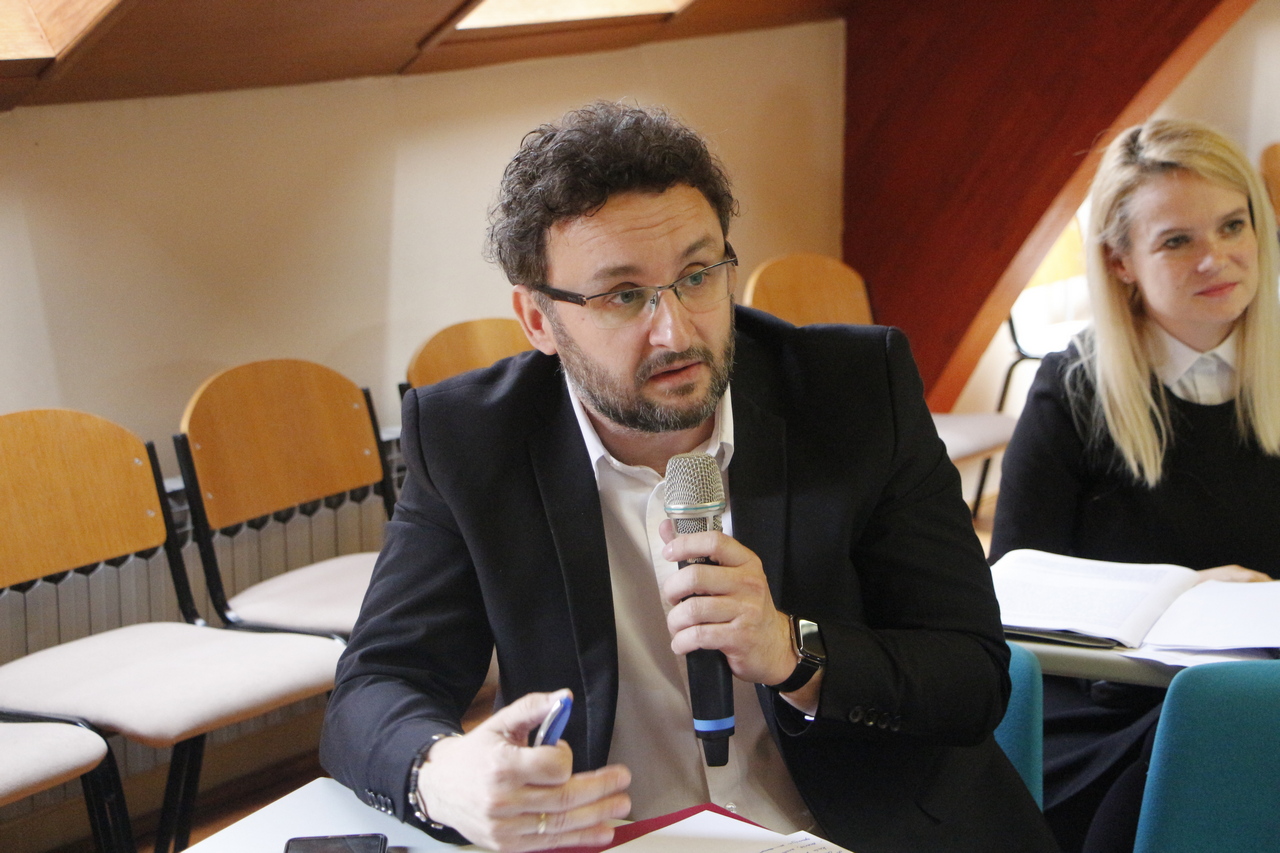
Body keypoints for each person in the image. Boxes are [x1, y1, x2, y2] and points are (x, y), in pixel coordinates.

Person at [321, 101, 1054, 853]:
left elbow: (972, 677)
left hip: (862, 832)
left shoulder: (856, 390)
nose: (675, 330)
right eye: (623, 295)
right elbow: (376, 686)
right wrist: (443, 775)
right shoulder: (471, 439)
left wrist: (794, 651)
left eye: (698, 275)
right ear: (539, 320)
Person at [990, 118, 1280, 853]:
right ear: (1120, 261)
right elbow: (1014, 589)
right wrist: (1189, 593)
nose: (1216, 258)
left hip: (1263, 692)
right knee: (1203, 749)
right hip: (1104, 705)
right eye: (1177, 240)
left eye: (1233, 225)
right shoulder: (1073, 388)